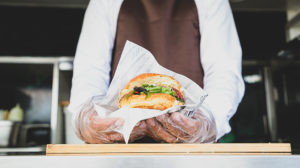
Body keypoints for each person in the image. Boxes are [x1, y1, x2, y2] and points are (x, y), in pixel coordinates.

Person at [69, 0, 245, 144]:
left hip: (193, 150)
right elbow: (90, 71)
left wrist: (207, 121)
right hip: (118, 148)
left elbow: (224, 73)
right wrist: (87, 118)